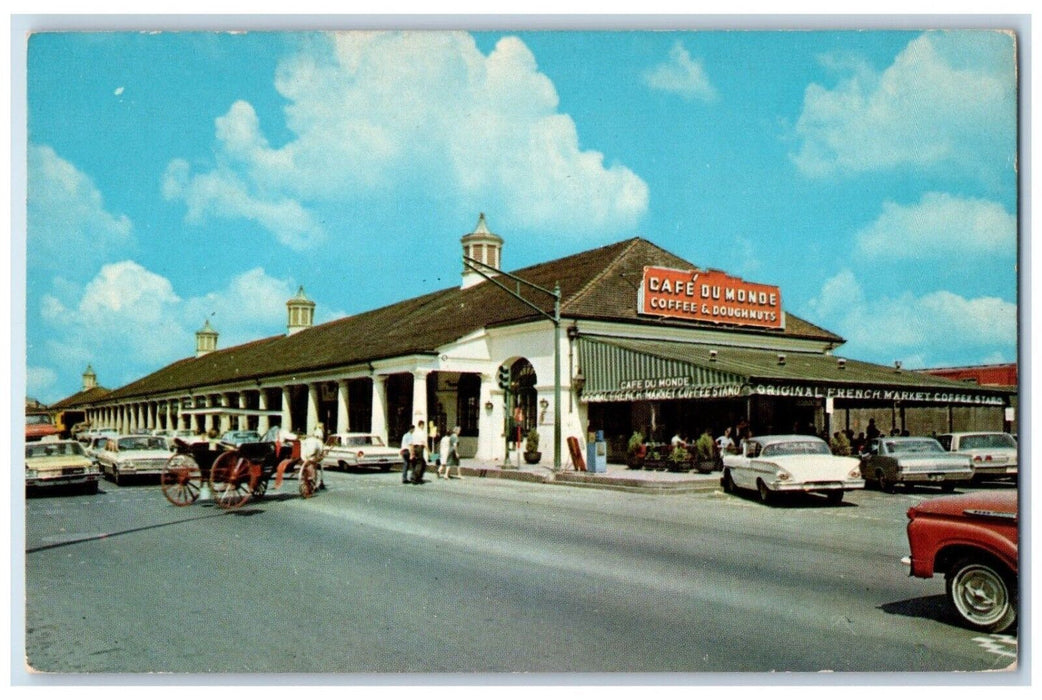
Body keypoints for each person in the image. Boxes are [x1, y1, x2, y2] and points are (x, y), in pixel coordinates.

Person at [410, 420, 428, 484]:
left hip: (415, 448)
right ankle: (415, 478)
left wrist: (412, 452)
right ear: (421, 425)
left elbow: (411, 443)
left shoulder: (414, 433)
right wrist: (428, 450)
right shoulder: (421, 432)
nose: (424, 427)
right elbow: (423, 442)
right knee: (420, 463)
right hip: (420, 448)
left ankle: (417, 477)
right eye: (423, 425)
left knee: (419, 463)